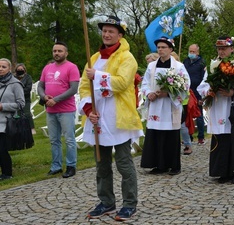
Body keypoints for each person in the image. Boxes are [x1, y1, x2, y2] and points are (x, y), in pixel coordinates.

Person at [79, 16, 144, 221]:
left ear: (120, 35)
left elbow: (122, 83)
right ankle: (106, 201)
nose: (107, 34)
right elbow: (83, 86)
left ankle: (129, 203)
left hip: (119, 118)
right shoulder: (94, 57)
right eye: (104, 31)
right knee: (102, 164)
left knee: (124, 164)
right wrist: (89, 109)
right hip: (97, 118)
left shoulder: (127, 58)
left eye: (111, 31)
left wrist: (96, 75)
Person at [197, 36, 234, 184]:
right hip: (219, 106)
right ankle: (223, 171)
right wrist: (209, 90)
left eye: (224, 49)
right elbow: (203, 85)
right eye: (219, 49)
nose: (221, 52)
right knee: (222, 138)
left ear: (232, 48)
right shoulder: (214, 65)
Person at [140, 37, 190, 175]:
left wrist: (167, 94)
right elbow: (144, 83)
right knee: (156, 134)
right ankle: (158, 165)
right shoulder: (151, 66)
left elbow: (185, 86)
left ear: (171, 49)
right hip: (155, 106)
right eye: (159, 47)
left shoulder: (179, 67)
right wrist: (149, 93)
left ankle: (174, 166)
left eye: (163, 47)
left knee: (171, 136)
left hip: (170, 105)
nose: (160, 49)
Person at [38, 41, 80, 178]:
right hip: (51, 110)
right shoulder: (47, 68)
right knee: (54, 140)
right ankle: (56, 166)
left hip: (66, 109)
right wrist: (44, 97)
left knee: (69, 139)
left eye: (60, 51)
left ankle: (71, 166)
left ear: (66, 53)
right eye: (55, 51)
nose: (57, 53)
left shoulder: (71, 67)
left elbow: (73, 89)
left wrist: (55, 99)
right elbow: (40, 86)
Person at [0, 58, 25, 180]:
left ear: (9, 69)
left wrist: (3, 106)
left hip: (7, 121)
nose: (0, 69)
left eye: (4, 67)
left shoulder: (15, 84)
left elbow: (21, 104)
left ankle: (7, 173)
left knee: (2, 149)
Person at [183, 44, 207, 145]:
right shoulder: (185, 61)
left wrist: (202, 95)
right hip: (187, 91)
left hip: (197, 92)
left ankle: (201, 137)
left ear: (197, 52)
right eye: (190, 51)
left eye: (193, 52)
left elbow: (204, 78)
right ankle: (189, 136)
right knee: (187, 115)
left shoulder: (202, 63)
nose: (191, 53)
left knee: (199, 115)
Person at [14, 63, 36, 135]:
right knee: (17, 114)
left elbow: (28, 88)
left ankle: (32, 128)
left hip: (25, 99)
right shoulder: (13, 77)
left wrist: (18, 92)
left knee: (27, 114)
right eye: (18, 69)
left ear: (24, 69)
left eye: (21, 69)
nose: (20, 70)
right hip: (15, 99)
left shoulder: (28, 77)